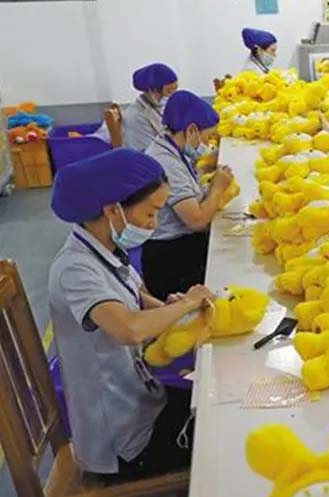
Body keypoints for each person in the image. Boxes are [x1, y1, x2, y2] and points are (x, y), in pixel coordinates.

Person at [48, 148, 215, 484]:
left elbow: (136, 298)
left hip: (144, 401)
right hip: (125, 442)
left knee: (216, 403)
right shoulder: (75, 270)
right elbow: (129, 329)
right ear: (113, 210)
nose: (154, 224)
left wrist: (170, 306)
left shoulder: (105, 247)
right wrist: (183, 306)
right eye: (151, 214)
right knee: (224, 448)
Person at [143, 90, 233, 300]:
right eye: (207, 137)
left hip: (180, 247)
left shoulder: (171, 149)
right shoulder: (166, 162)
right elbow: (197, 221)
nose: (208, 144)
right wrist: (217, 188)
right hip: (172, 259)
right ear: (191, 130)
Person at [123, 63, 179, 151]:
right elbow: (149, 154)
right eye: (169, 91)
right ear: (152, 90)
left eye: (175, 89)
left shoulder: (159, 108)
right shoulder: (137, 117)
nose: (172, 95)